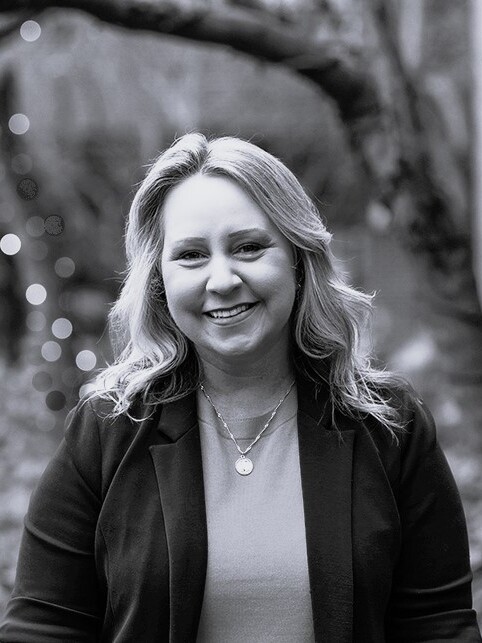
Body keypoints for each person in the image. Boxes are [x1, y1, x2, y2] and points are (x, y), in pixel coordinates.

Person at [1, 133, 481, 643]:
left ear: (298, 257)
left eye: (249, 247)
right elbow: (42, 628)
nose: (222, 279)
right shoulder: (110, 429)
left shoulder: (389, 425)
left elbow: (440, 630)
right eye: (190, 255)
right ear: (159, 280)